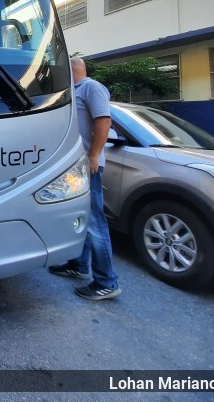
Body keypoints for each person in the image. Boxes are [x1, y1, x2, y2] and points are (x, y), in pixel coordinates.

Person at [49, 57, 121, 300]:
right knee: (83, 216)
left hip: (87, 166)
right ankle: (78, 264)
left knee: (95, 221)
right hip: (74, 168)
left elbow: (104, 121)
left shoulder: (91, 87)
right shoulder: (74, 91)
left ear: (70, 69)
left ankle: (107, 281)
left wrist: (94, 156)